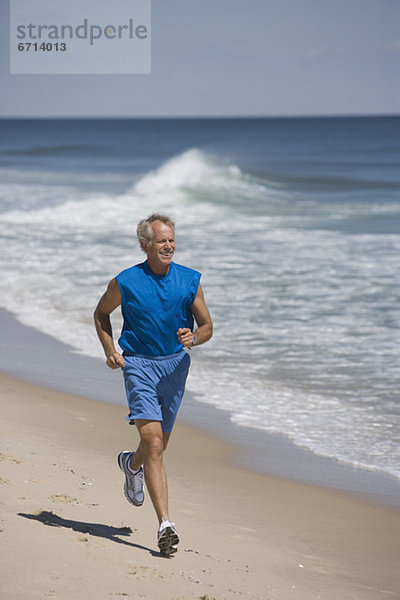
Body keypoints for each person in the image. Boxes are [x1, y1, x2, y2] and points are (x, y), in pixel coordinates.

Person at [93, 213, 213, 555]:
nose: (169, 246)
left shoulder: (190, 280)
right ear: (145, 244)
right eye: (161, 241)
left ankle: (131, 465)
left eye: (172, 240)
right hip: (139, 365)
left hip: (175, 366)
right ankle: (165, 525)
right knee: (155, 444)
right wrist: (110, 350)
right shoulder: (126, 281)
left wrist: (195, 336)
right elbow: (101, 314)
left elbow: (207, 327)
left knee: (158, 445)